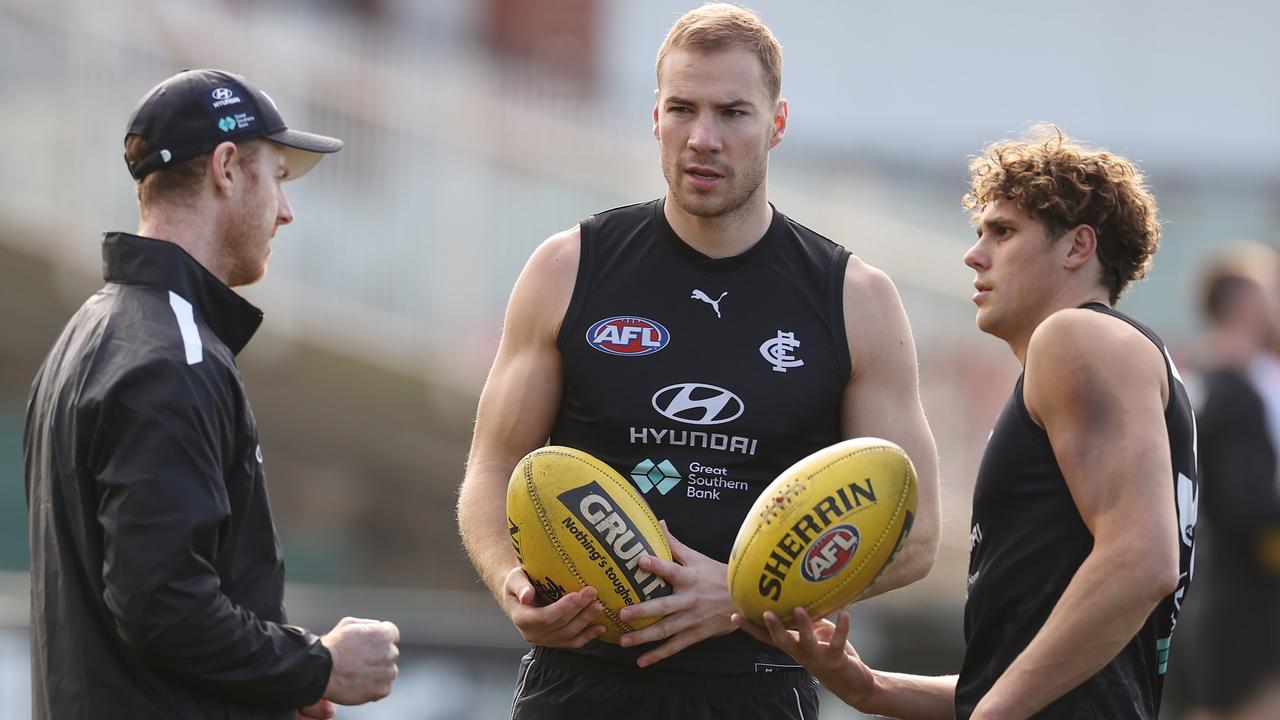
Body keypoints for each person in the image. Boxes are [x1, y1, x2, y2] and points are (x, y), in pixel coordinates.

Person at [455, 4, 940, 718]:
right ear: (655, 116)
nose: (703, 138)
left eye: (733, 113)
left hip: (754, 687)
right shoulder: (568, 268)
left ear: (776, 124)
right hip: (580, 681)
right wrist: (511, 586)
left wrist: (748, 599)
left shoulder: (855, 300)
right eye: (682, 108)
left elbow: (915, 537)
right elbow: (491, 471)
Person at [735, 126, 1199, 719]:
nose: (974, 254)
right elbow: (1031, 680)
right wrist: (870, 689)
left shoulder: (1077, 337)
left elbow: (1142, 562)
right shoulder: (1118, 362)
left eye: (1003, 232)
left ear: (1078, 247)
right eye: (980, 232)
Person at [23, 69, 400, 720]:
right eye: (277, 177)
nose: (286, 210)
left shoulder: (88, 333)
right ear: (227, 167)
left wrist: (284, 682)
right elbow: (162, 606)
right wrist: (320, 665)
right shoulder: (172, 357)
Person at [1179, 247, 1280, 720]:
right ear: (1248, 305)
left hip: (1212, 595)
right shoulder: (1236, 394)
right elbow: (1252, 508)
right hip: (1247, 608)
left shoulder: (1200, 383)